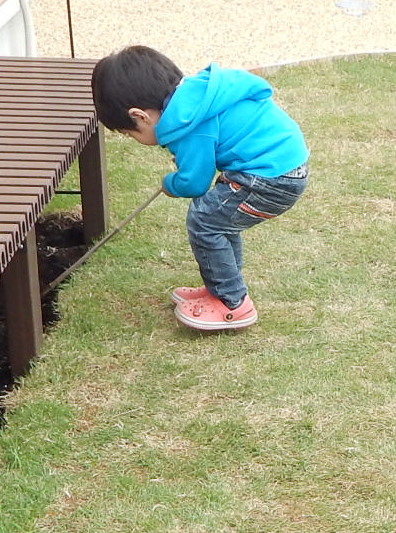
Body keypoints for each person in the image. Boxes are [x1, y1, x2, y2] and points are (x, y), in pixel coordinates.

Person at [91, 45, 310, 333]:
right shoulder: (196, 98)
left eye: (131, 133)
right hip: (283, 166)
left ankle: (233, 304)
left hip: (271, 178)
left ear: (140, 116)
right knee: (218, 218)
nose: (135, 138)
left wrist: (170, 183)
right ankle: (220, 288)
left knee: (205, 220)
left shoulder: (188, 124)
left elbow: (194, 183)